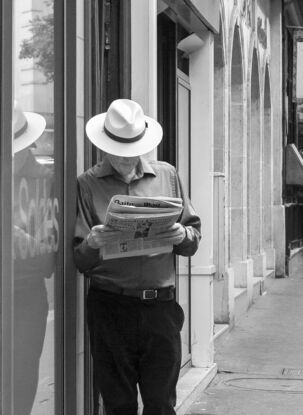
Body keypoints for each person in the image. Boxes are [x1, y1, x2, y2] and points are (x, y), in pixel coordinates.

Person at [73, 99, 201, 415]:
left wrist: (182, 235)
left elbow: (192, 239)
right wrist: (92, 241)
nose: (127, 158)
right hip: (110, 308)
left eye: (133, 150)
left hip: (160, 308)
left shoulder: (167, 174)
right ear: (104, 147)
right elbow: (79, 261)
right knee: (118, 404)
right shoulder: (87, 183)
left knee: (161, 404)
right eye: (119, 151)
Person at [12, 100, 56, 415]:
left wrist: (21, 239)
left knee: (22, 377)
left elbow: (50, 261)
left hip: (25, 295)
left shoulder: (46, 180)